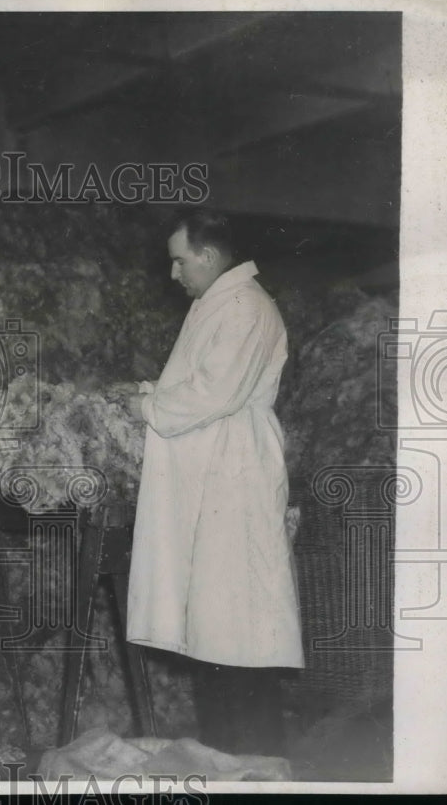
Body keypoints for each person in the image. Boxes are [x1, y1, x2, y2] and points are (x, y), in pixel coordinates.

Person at [117, 210, 303, 757]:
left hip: (235, 470)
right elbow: (198, 381)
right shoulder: (215, 305)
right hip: (214, 470)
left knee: (238, 621)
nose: (173, 272)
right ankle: (222, 756)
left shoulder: (245, 305)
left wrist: (146, 405)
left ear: (208, 255)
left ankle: (256, 760)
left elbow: (214, 393)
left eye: (179, 259)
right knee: (214, 623)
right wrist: (152, 388)